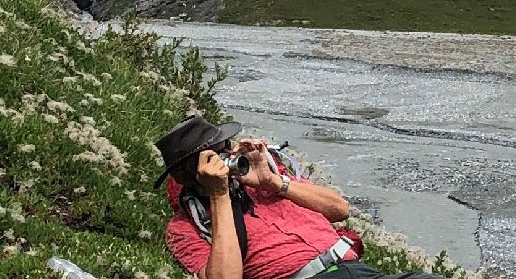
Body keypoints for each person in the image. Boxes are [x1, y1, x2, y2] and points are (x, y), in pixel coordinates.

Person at [152, 116, 445, 279]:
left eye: (225, 147)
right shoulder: (184, 228)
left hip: (355, 269)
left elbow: (339, 209)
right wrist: (218, 196)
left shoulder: (262, 181)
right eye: (215, 153)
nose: (227, 157)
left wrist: (274, 182)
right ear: (188, 174)